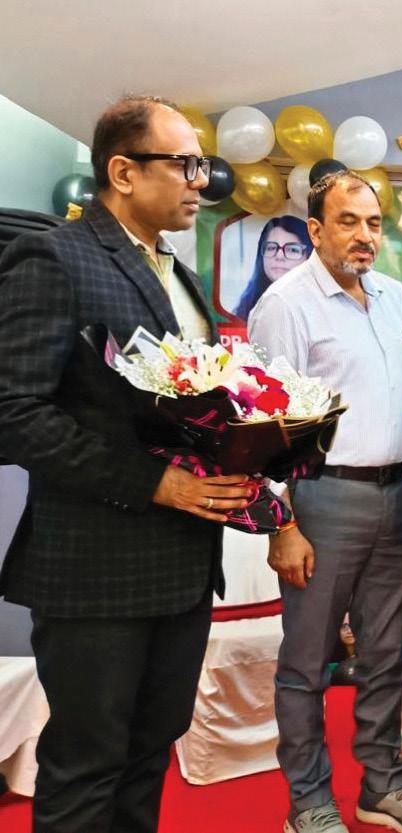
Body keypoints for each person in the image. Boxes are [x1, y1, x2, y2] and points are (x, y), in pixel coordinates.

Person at [0, 95, 255, 833]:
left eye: (203, 165)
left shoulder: (179, 274)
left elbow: (191, 410)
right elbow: (14, 413)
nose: (201, 181)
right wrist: (155, 483)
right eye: (185, 164)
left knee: (148, 756)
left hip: (183, 565)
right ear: (122, 172)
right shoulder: (56, 257)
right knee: (87, 767)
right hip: (96, 570)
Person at [248, 172, 402, 833]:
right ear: (316, 230)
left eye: (373, 223)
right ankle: (309, 801)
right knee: (306, 660)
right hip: (322, 499)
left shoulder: (393, 295)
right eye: (348, 221)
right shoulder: (285, 305)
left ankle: (383, 785)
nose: (364, 235)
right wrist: (282, 523)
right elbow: (264, 424)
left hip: (397, 495)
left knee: (386, 652)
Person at [233, 215, 313, 321]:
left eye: (292, 250)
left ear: (310, 256)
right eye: (271, 248)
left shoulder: (318, 306)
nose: (279, 256)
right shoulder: (247, 308)